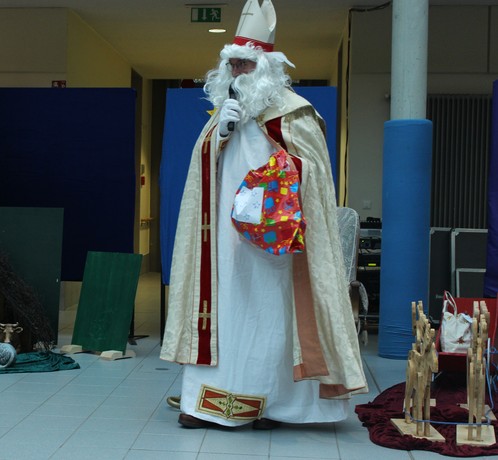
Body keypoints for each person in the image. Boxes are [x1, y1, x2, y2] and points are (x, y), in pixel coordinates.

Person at [160, 0, 368, 430]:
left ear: (266, 67)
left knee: (272, 320)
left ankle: (272, 404)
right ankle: (206, 405)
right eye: (232, 64)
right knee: (226, 316)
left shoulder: (295, 114)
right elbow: (201, 176)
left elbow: (313, 176)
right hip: (224, 242)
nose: (237, 72)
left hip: (276, 244)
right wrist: (218, 134)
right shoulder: (221, 116)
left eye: (245, 64)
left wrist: (277, 178)